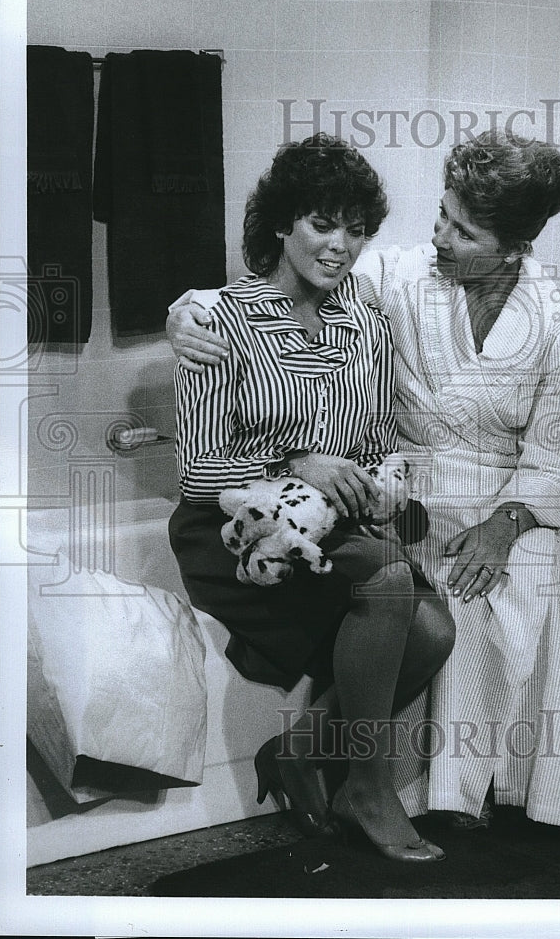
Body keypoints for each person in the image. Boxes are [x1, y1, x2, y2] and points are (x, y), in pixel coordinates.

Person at [168, 130, 560, 833]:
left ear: (513, 245)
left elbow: (532, 459)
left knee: (481, 602)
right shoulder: (377, 286)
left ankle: (329, 757)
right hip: (304, 509)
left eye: (462, 231)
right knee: (412, 591)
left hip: (441, 505)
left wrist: (492, 519)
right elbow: (252, 308)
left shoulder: (546, 326)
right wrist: (184, 311)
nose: (438, 237)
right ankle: (392, 789)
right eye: (441, 215)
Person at [168, 133, 455, 863]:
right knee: (391, 584)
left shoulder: (366, 322)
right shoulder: (219, 323)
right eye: (322, 223)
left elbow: (365, 443)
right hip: (236, 527)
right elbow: (199, 474)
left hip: (331, 525)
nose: (340, 245)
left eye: (355, 230)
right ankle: (370, 784)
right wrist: (295, 459)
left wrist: (372, 477)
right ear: (280, 224)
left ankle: (300, 750)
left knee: (435, 633)